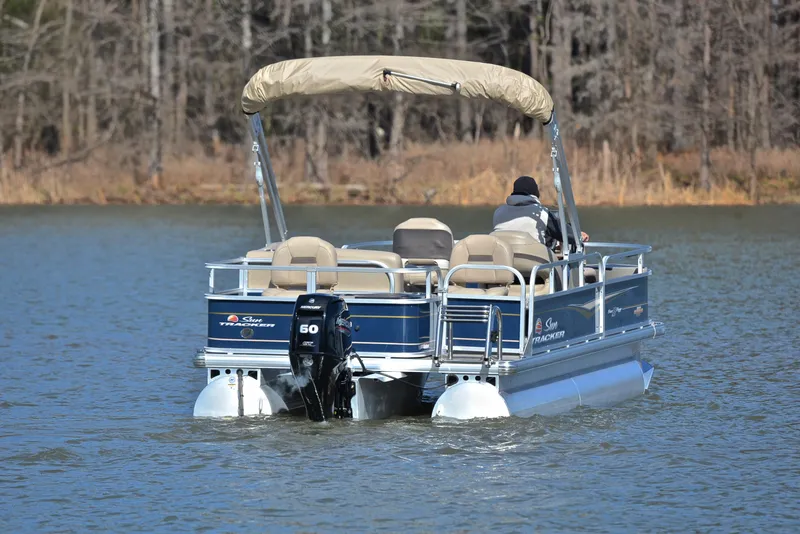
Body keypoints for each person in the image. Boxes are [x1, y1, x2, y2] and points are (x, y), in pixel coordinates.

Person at [492, 175, 589, 250]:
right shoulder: (542, 213)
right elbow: (566, 234)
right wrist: (578, 235)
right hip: (534, 268)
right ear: (536, 193)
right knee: (565, 267)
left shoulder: (498, 212)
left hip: (507, 267)